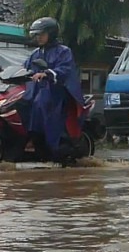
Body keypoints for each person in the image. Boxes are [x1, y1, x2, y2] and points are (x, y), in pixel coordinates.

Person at [21, 17, 85, 158]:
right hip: (38, 90)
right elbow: (25, 67)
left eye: (42, 34)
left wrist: (47, 74)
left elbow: (65, 69)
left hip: (58, 92)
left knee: (41, 102)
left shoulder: (63, 51)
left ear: (51, 34)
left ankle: (37, 137)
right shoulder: (35, 54)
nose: (39, 38)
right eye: (37, 35)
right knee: (23, 101)